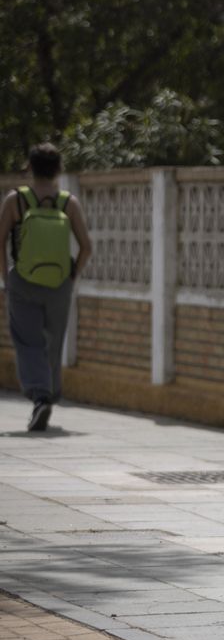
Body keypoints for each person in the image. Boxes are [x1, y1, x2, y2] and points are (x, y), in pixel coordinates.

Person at [3, 143, 93, 432]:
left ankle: (39, 396)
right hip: (59, 285)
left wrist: (7, 279)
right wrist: (71, 277)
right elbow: (86, 247)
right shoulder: (69, 202)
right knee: (53, 342)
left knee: (28, 342)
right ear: (59, 169)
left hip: (23, 281)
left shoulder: (15, 201)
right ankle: (49, 396)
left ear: (29, 167)